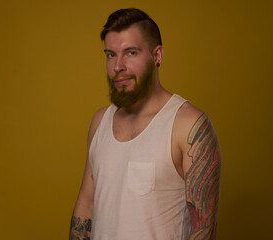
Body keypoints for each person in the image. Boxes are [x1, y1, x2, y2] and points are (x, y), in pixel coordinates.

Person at [69, 8, 221, 240]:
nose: (118, 65)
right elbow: (86, 204)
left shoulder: (188, 126)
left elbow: (204, 229)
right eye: (110, 54)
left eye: (130, 53)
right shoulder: (100, 122)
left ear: (157, 55)